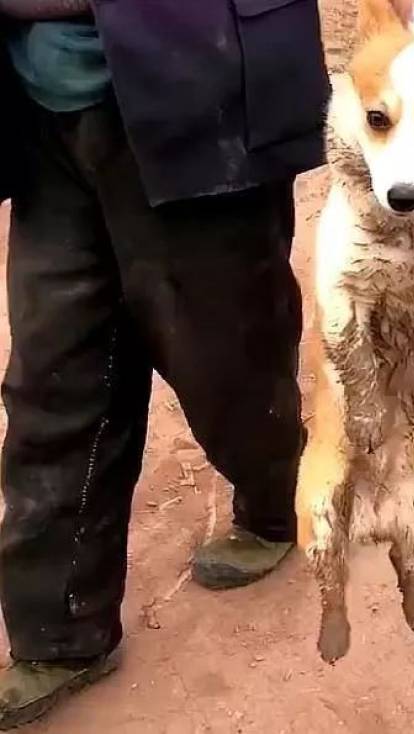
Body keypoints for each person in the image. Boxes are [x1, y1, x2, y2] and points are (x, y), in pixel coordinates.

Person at [0, 0, 328, 728]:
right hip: (43, 113)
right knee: (54, 370)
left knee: (229, 361)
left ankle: (274, 506)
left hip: (201, 93)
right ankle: (62, 632)